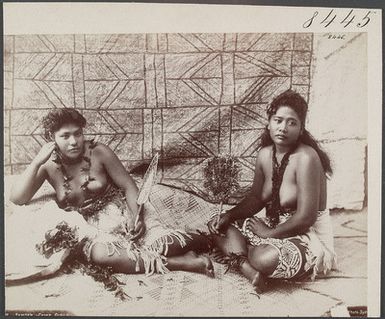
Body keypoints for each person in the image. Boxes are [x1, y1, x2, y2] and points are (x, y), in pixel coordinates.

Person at [9, 108, 213, 281]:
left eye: (78, 133)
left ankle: (207, 238)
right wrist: (36, 162)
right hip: (90, 228)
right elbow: (18, 198)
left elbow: (128, 186)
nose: (74, 142)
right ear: (51, 139)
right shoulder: (47, 166)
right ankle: (181, 263)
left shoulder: (99, 152)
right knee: (102, 256)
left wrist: (136, 217)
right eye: (65, 136)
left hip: (121, 212)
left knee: (163, 244)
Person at [207, 90, 336, 293]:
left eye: (292, 122)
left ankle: (242, 256)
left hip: (308, 236)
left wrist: (269, 233)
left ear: (301, 129)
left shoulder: (307, 157)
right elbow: (257, 198)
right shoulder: (265, 155)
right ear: (269, 123)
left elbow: (306, 217)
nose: (283, 128)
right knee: (218, 225)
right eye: (278, 120)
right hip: (273, 229)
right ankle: (248, 267)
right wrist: (228, 215)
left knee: (264, 258)